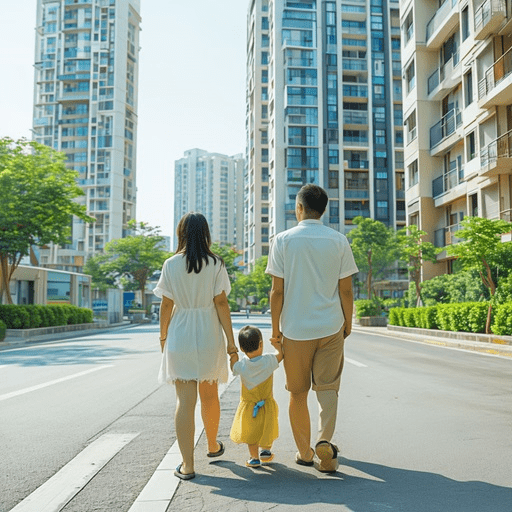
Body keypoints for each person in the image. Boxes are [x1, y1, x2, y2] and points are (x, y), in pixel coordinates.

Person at [266, 184, 358, 473]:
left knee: (297, 393)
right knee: (328, 388)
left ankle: (305, 453)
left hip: (294, 330)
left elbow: (276, 291)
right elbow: (346, 290)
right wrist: (348, 322)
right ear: (323, 209)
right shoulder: (338, 240)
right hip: (331, 326)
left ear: (300, 208)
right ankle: (325, 443)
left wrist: (275, 330)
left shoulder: (282, 240)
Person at [154, 212, 238, 481]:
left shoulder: (170, 264)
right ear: (205, 233)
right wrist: (231, 343)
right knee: (210, 392)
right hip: (208, 332)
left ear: (180, 233)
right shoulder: (216, 263)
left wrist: (163, 336)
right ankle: (213, 445)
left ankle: (188, 465)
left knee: (184, 400)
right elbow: (221, 303)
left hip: (180, 333)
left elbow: (166, 305)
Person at [229, 325, 283, 468]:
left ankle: (254, 457)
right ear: (261, 344)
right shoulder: (269, 360)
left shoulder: (242, 365)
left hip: (249, 406)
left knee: (251, 433)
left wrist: (233, 355)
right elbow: (281, 355)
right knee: (267, 427)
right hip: (266, 403)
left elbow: (233, 367)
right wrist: (277, 345)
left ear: (242, 348)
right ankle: (265, 450)